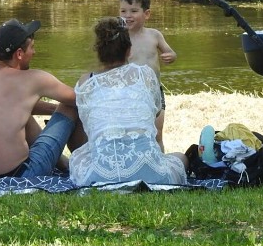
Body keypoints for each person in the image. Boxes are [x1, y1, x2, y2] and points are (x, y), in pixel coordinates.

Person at [69, 17, 188, 186]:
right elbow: (155, 111)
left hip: (100, 175)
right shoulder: (145, 74)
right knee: (181, 158)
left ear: (98, 51)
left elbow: (87, 124)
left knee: (78, 159)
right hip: (150, 173)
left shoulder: (86, 81)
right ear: (129, 50)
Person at [0, 19, 86, 179]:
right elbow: (82, 100)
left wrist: (53, 110)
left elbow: (16, 105)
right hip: (22, 174)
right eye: (32, 47)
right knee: (70, 106)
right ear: (19, 54)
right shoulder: (34, 78)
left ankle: (65, 164)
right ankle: (85, 165)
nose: (34, 52)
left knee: (24, 116)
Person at [118, 0, 177, 151]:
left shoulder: (154, 35)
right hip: (129, 93)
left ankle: (160, 163)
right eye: (123, 11)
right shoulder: (119, 38)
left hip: (154, 92)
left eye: (133, 11)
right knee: (131, 132)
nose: (127, 15)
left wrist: (171, 56)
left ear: (147, 14)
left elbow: (170, 52)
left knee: (157, 132)